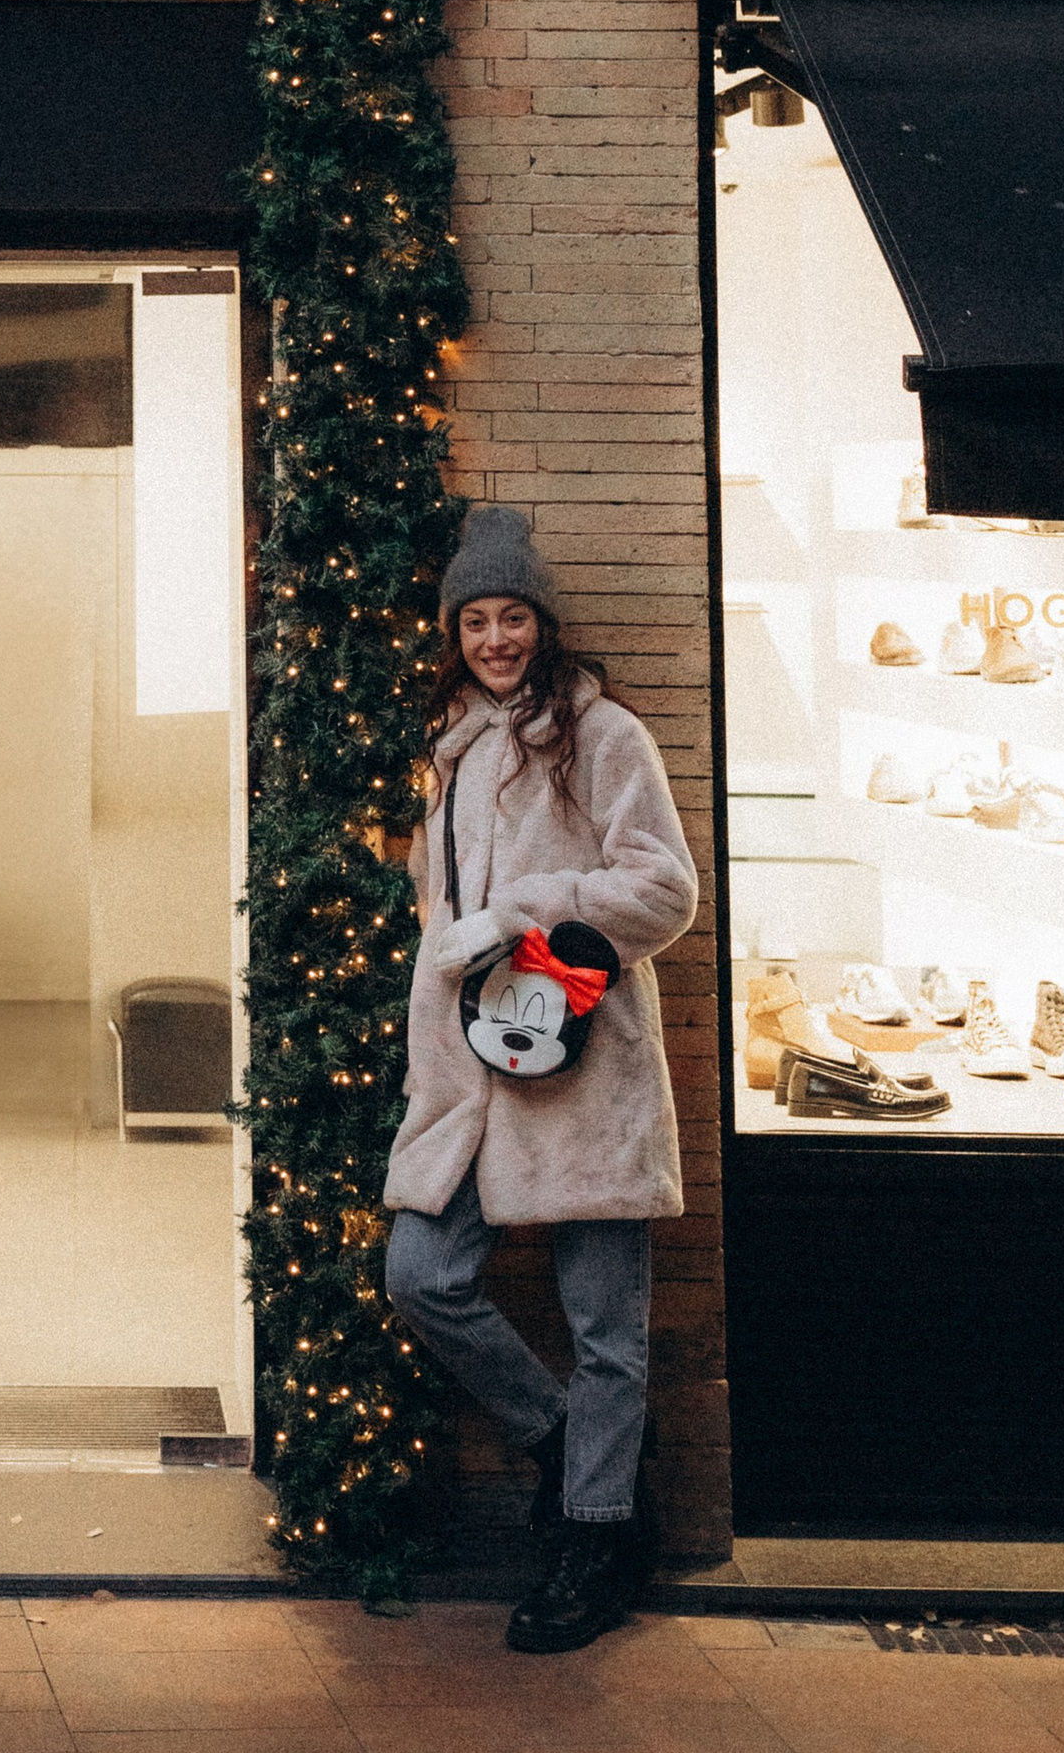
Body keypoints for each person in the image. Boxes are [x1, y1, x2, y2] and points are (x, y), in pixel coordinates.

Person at [383, 506, 699, 1657]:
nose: (494, 639)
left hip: (579, 1072)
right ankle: (572, 1449)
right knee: (421, 1276)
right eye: (474, 620)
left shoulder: (601, 734)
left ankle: (598, 1539)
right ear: (454, 633)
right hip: (474, 1077)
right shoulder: (453, 746)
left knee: (605, 1327)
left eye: (511, 616)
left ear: (543, 623)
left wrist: (524, 911)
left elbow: (662, 892)